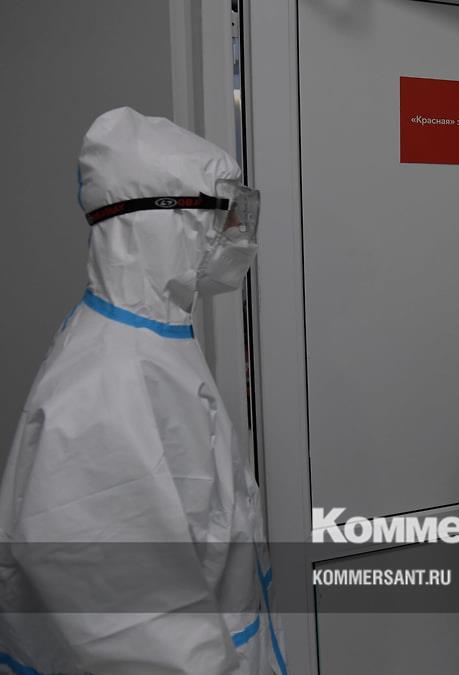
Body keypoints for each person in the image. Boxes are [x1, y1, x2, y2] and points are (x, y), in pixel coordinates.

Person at [0, 107, 286, 674]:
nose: (238, 235)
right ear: (166, 221)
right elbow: (140, 634)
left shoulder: (150, 344)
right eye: (225, 213)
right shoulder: (106, 382)